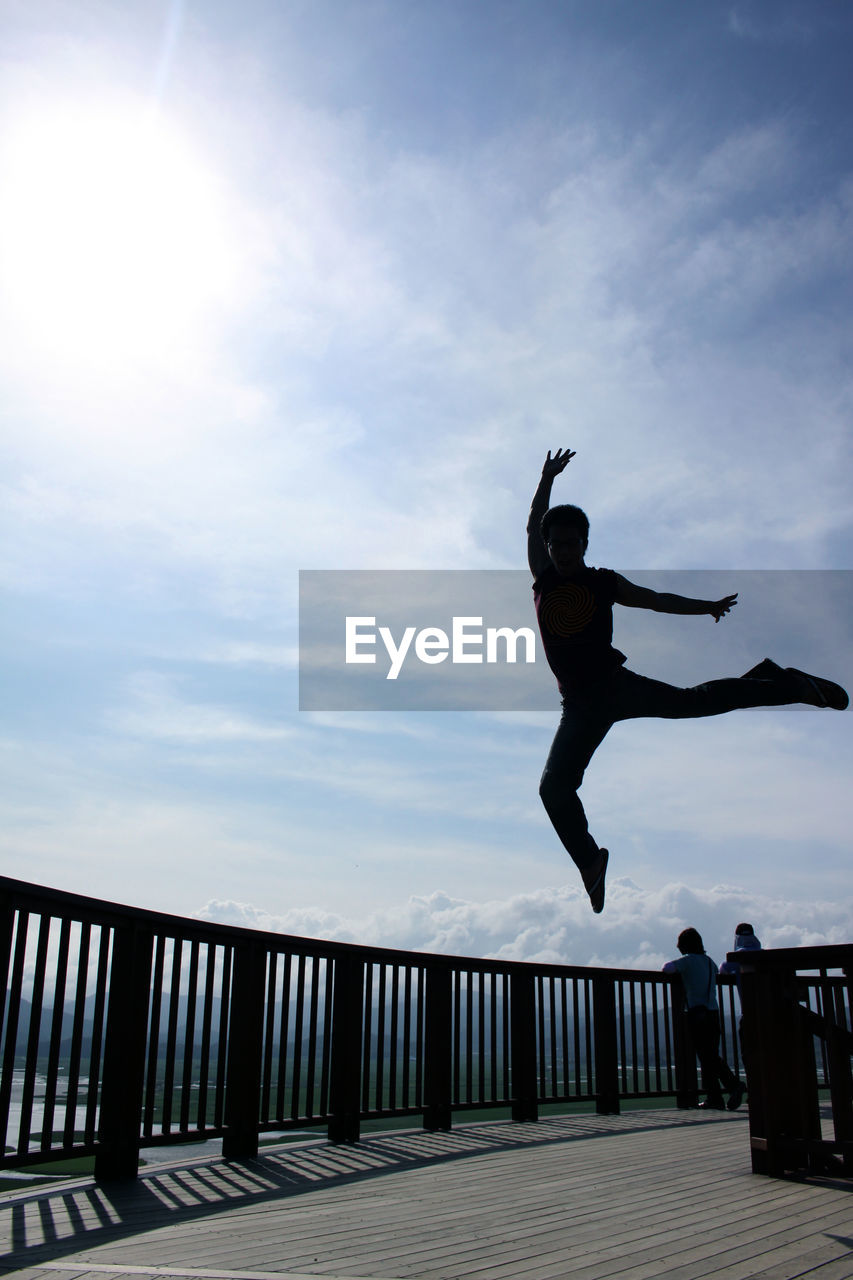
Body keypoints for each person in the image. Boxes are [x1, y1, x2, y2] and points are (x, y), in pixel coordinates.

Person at [528, 448, 849, 913]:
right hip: (577, 707)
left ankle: (791, 686)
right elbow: (535, 518)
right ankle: (590, 861)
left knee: (696, 701)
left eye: (571, 544)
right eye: (555, 544)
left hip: (614, 687)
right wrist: (546, 478)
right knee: (553, 790)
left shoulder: (603, 582)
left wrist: (706, 607)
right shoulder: (542, 578)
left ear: (585, 544)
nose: (562, 552)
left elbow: (656, 599)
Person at [663, 927, 745, 1111]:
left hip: (697, 1012)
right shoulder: (709, 962)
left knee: (707, 1056)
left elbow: (667, 968)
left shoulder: (688, 961)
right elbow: (718, 972)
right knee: (710, 1055)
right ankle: (715, 1097)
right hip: (713, 1012)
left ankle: (732, 1085)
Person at [719, 922, 762, 1073]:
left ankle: (755, 1091)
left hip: (750, 1013)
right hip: (771, 1010)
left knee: (749, 1051)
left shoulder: (738, 956)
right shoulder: (763, 954)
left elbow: (723, 970)